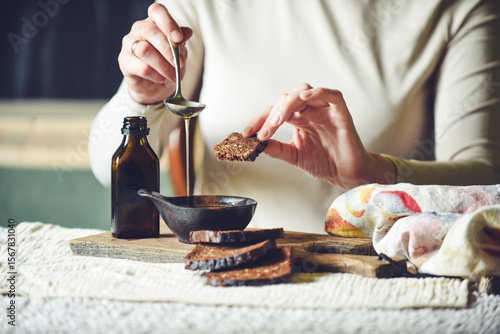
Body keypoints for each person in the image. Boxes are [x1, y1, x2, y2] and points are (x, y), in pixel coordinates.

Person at [89, 0, 500, 233]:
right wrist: (143, 97)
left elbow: (487, 181)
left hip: (382, 273)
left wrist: (375, 176)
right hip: (225, 270)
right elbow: (108, 171)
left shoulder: (459, 8)